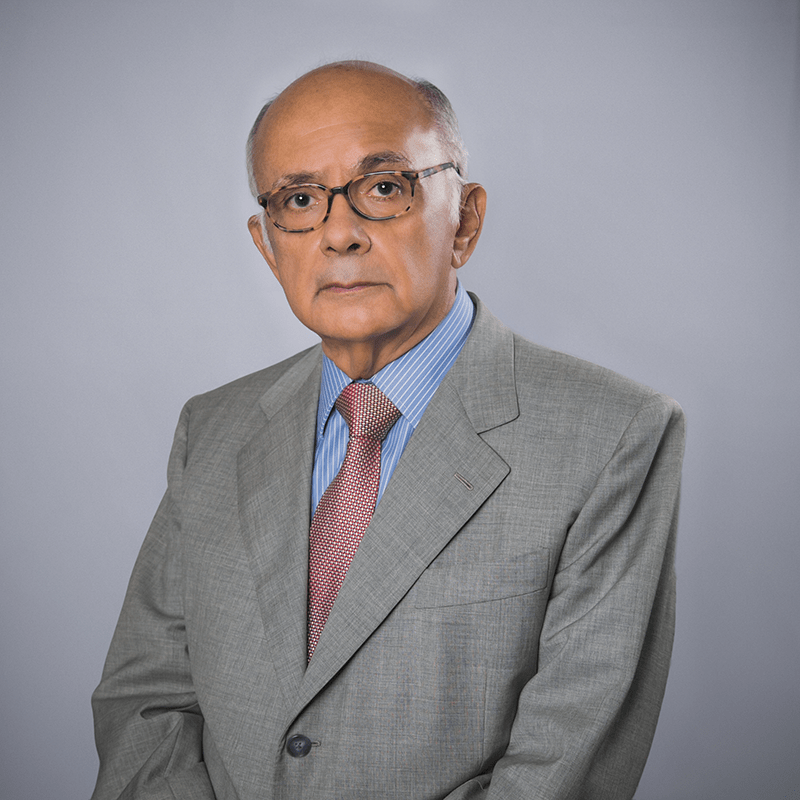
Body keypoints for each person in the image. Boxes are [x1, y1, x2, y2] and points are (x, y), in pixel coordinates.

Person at [90, 61, 685, 800]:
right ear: (268, 245)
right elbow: (145, 701)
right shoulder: (210, 430)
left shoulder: (613, 435)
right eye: (300, 200)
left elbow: (562, 767)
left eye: (383, 188)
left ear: (464, 220)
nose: (340, 234)